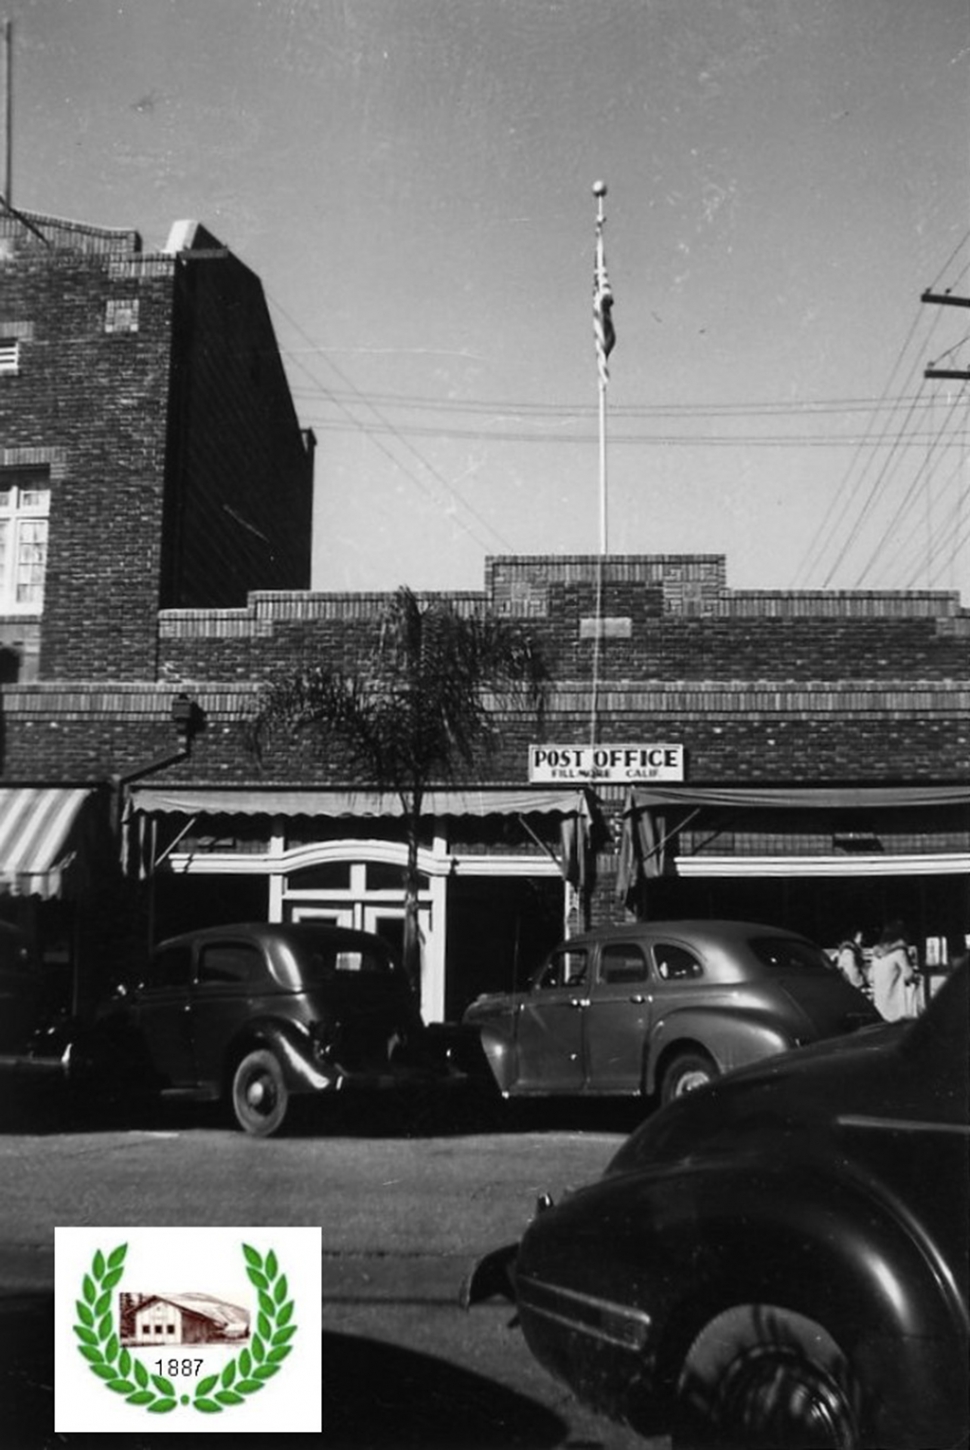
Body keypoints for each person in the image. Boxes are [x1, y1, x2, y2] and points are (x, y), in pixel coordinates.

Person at [870, 920, 921, 1021]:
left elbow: (871, 977)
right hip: (896, 1005)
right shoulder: (899, 953)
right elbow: (908, 975)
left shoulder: (876, 955)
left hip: (879, 1003)